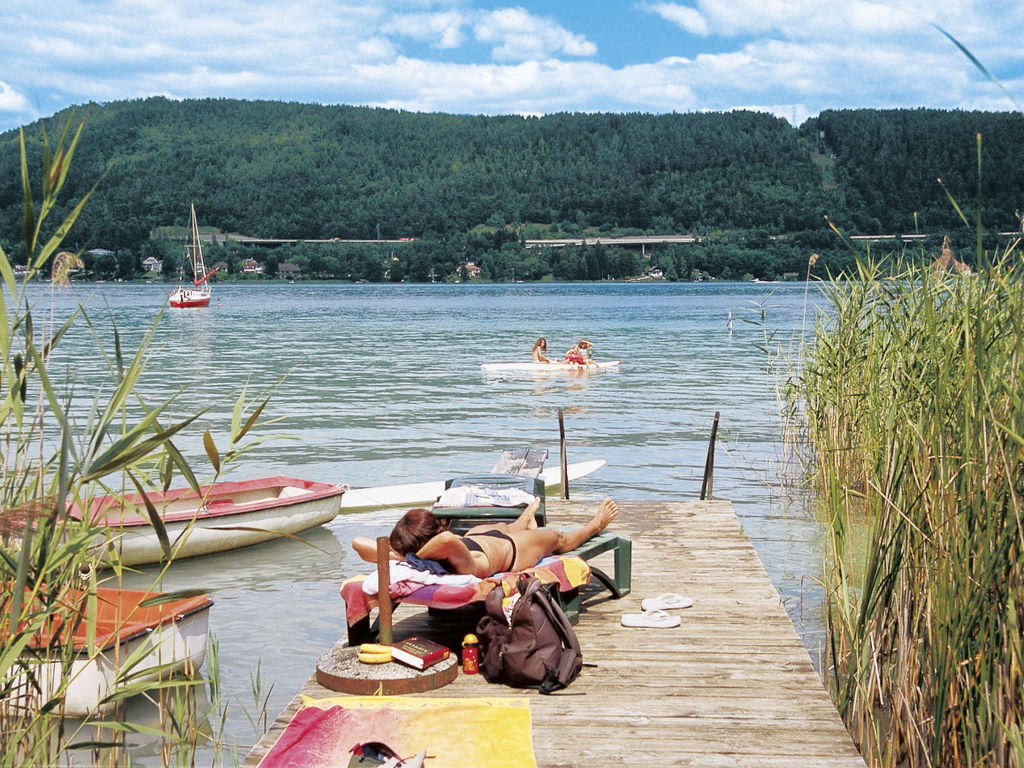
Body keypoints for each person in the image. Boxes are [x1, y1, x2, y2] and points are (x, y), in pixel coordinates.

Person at [352, 496, 619, 578]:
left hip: (479, 539)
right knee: (557, 538)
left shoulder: (420, 555)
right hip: (512, 552)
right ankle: (595, 526)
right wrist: (414, 558)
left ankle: (524, 520)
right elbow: (447, 541)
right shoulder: (459, 560)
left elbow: (357, 543)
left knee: (505, 526)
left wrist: (405, 556)